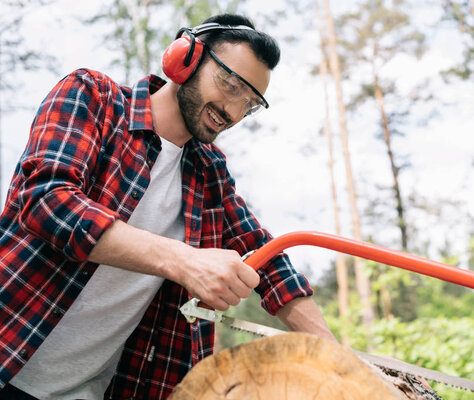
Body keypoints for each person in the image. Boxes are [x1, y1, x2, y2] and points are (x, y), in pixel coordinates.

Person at [0, 13, 335, 400]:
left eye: (250, 103)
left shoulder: (209, 172)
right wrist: (185, 261)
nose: (234, 112)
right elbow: (47, 201)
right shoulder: (94, 97)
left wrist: (338, 358)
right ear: (185, 57)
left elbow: (267, 258)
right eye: (230, 84)